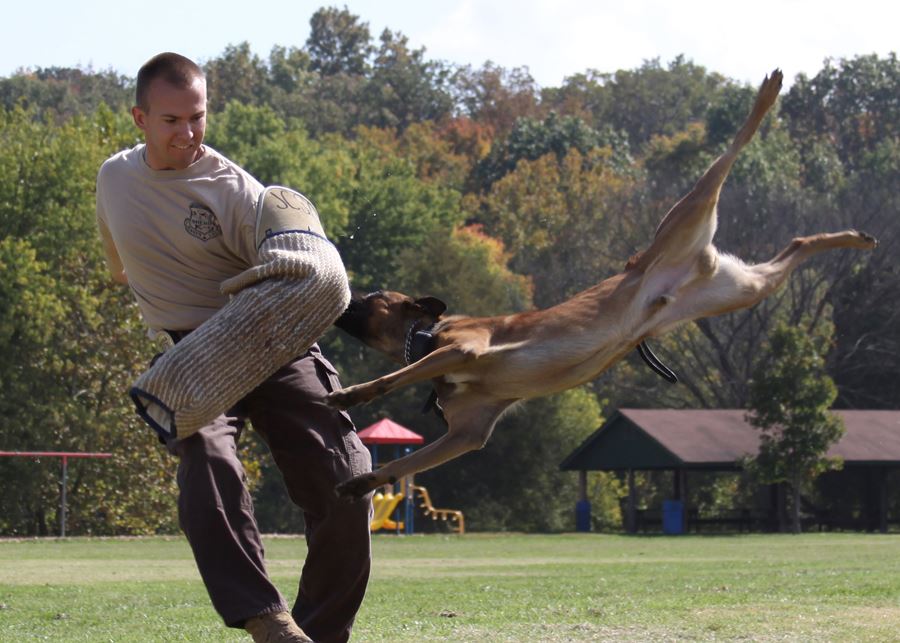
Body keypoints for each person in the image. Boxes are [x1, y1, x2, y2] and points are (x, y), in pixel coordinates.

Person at [95, 52, 372, 643]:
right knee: (209, 461)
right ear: (140, 118)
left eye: (197, 116)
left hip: (269, 338)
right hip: (193, 354)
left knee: (348, 474)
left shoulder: (234, 188)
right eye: (171, 120)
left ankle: (320, 634)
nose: (188, 133)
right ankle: (265, 619)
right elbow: (118, 264)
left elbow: (290, 269)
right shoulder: (114, 179)